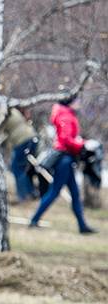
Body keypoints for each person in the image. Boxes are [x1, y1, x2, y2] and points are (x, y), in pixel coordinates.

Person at [29, 94, 97, 234]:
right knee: (54, 192)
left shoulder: (67, 113)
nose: (79, 102)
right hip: (64, 159)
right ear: (70, 101)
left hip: (68, 158)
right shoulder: (65, 115)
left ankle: (82, 226)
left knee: (74, 193)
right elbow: (65, 139)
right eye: (77, 100)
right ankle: (34, 220)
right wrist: (83, 144)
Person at [0, 106, 39, 202]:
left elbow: (0, 133)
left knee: (17, 168)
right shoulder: (12, 110)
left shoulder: (1, 113)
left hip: (22, 141)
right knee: (25, 168)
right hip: (31, 137)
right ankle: (31, 192)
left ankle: (23, 196)